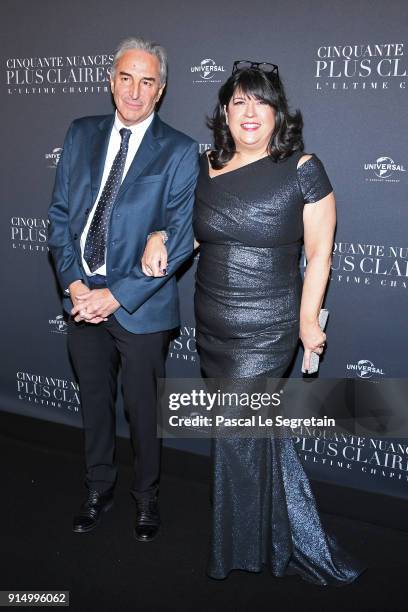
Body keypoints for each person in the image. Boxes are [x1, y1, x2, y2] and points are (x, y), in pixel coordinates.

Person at [142, 62, 364, 583]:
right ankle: (280, 535)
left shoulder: (302, 167)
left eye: (261, 102)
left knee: (238, 431)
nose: (250, 112)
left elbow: (319, 253)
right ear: (224, 111)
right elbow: (188, 234)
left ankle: (237, 552)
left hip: (267, 326)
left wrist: (309, 319)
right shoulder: (204, 165)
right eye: (239, 102)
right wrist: (158, 235)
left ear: (277, 113)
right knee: (253, 430)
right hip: (212, 322)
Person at [48, 37, 199, 542]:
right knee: (94, 403)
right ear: (111, 81)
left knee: (142, 410)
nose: (135, 91)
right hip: (83, 293)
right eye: (126, 78)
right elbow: (60, 218)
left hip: (141, 304)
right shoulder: (81, 134)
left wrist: (116, 294)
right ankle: (98, 487)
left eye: (147, 81)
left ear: (161, 90)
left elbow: (180, 238)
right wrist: (74, 284)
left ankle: (146, 496)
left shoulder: (178, 150)